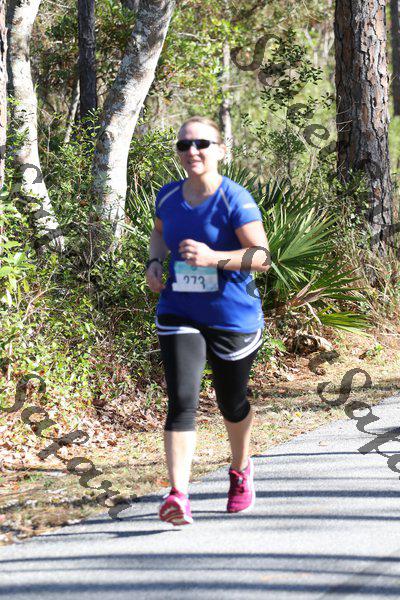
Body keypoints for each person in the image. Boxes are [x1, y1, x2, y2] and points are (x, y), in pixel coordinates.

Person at [145, 115, 270, 526]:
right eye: (184, 145)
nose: (192, 151)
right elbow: (159, 232)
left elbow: (261, 257)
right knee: (181, 400)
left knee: (231, 402)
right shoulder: (168, 195)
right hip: (179, 310)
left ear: (221, 150)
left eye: (201, 143)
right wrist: (154, 263)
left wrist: (213, 258)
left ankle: (241, 469)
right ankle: (178, 494)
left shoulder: (235, 198)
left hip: (232, 315)